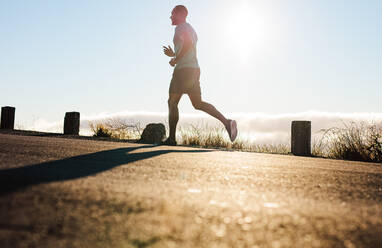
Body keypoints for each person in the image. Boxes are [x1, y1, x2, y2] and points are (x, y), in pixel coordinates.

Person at [162, 5, 237, 146]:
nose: (171, 16)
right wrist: (174, 54)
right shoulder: (190, 29)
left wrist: (175, 60)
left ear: (180, 14)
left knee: (172, 102)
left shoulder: (181, 28)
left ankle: (171, 139)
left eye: (172, 13)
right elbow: (188, 47)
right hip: (194, 70)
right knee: (198, 104)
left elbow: (188, 44)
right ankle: (227, 122)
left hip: (183, 70)